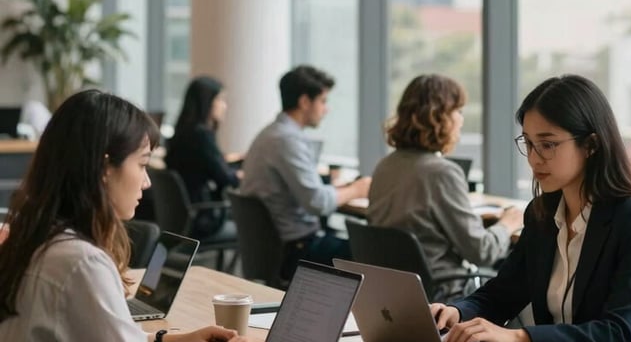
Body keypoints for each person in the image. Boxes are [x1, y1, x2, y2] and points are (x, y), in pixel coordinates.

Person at [0, 90, 274, 342]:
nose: (146, 182)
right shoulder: (79, 262)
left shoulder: (35, 236)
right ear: (105, 167)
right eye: (142, 164)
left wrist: (166, 341)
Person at [432, 74, 631, 342]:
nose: (534, 159)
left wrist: (519, 337)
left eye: (548, 145)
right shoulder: (542, 214)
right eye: (529, 144)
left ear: (591, 145)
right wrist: (456, 312)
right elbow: (502, 294)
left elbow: (619, 335)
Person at [368, 74, 522, 298]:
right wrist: (509, 224)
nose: (461, 120)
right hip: (445, 296)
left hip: (396, 295)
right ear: (438, 117)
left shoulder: (385, 165)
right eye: (458, 112)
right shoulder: (441, 172)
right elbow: (482, 252)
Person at [241, 65, 370, 279]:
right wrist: (357, 189)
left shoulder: (270, 133)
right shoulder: (287, 140)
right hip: (296, 251)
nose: (326, 109)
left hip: (273, 247)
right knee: (372, 254)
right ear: (304, 102)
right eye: (323, 101)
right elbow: (317, 202)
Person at [165, 75, 240, 238]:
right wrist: (242, 174)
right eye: (220, 100)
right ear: (207, 102)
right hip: (203, 219)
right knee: (251, 227)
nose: (224, 106)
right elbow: (226, 178)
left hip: (182, 217)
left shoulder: (182, 133)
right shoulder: (202, 136)